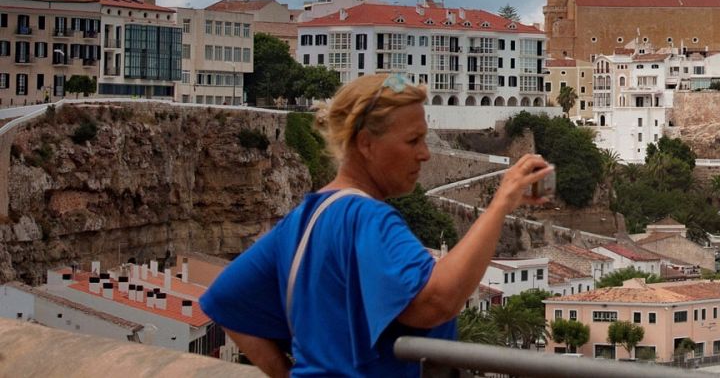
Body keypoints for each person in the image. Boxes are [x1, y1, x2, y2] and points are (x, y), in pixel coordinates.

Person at [201, 72, 553, 376]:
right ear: (366, 144)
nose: (425, 153)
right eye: (413, 140)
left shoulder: (304, 217)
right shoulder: (367, 218)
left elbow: (226, 299)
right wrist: (501, 203)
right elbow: (436, 302)